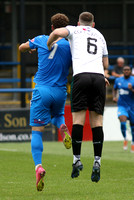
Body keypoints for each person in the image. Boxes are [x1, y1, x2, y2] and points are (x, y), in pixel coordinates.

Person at [47, 11, 109, 183]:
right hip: (98, 78)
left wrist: (49, 43)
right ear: (93, 24)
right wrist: (104, 75)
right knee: (97, 123)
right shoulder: (100, 35)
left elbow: (56, 33)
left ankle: (77, 160)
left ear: (79, 23)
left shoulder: (73, 30)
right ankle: (97, 162)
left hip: (81, 77)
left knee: (78, 121)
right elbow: (105, 63)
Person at [19, 13, 72, 191]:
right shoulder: (71, 44)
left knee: (37, 131)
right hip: (60, 90)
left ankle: (38, 166)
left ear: (51, 27)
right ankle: (62, 127)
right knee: (58, 115)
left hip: (42, 90)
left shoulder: (42, 39)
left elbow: (21, 48)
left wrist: (30, 48)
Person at [113, 65, 134, 152]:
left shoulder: (133, 80)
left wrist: (132, 89)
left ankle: (132, 142)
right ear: (123, 71)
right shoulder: (118, 80)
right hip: (121, 106)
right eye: (125, 70)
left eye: (128, 70)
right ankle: (125, 138)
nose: (126, 71)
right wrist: (114, 97)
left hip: (132, 107)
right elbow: (115, 89)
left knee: (133, 127)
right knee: (122, 122)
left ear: (130, 71)